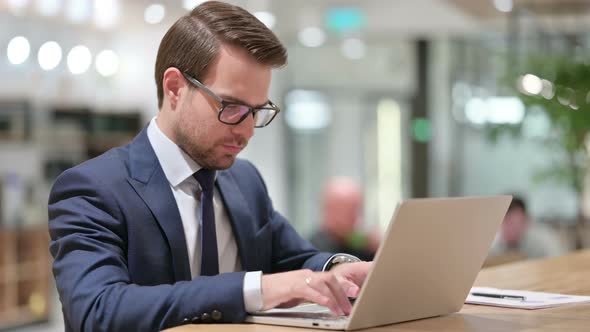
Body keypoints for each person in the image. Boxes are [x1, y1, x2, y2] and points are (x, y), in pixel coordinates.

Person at [47, 2, 372, 331]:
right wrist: (251, 289)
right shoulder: (93, 189)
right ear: (174, 87)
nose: (246, 131)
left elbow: (296, 260)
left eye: (257, 111)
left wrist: (339, 269)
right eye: (231, 107)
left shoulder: (245, 181)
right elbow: (97, 312)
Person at [310, 177, 379, 261]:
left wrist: (378, 250)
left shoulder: (360, 246)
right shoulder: (314, 249)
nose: (355, 217)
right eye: (348, 210)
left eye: (357, 209)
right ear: (328, 209)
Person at [489, 195, 568, 259]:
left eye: (513, 223)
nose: (508, 228)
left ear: (526, 221)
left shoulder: (544, 240)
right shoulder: (493, 246)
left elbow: (559, 262)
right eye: (504, 222)